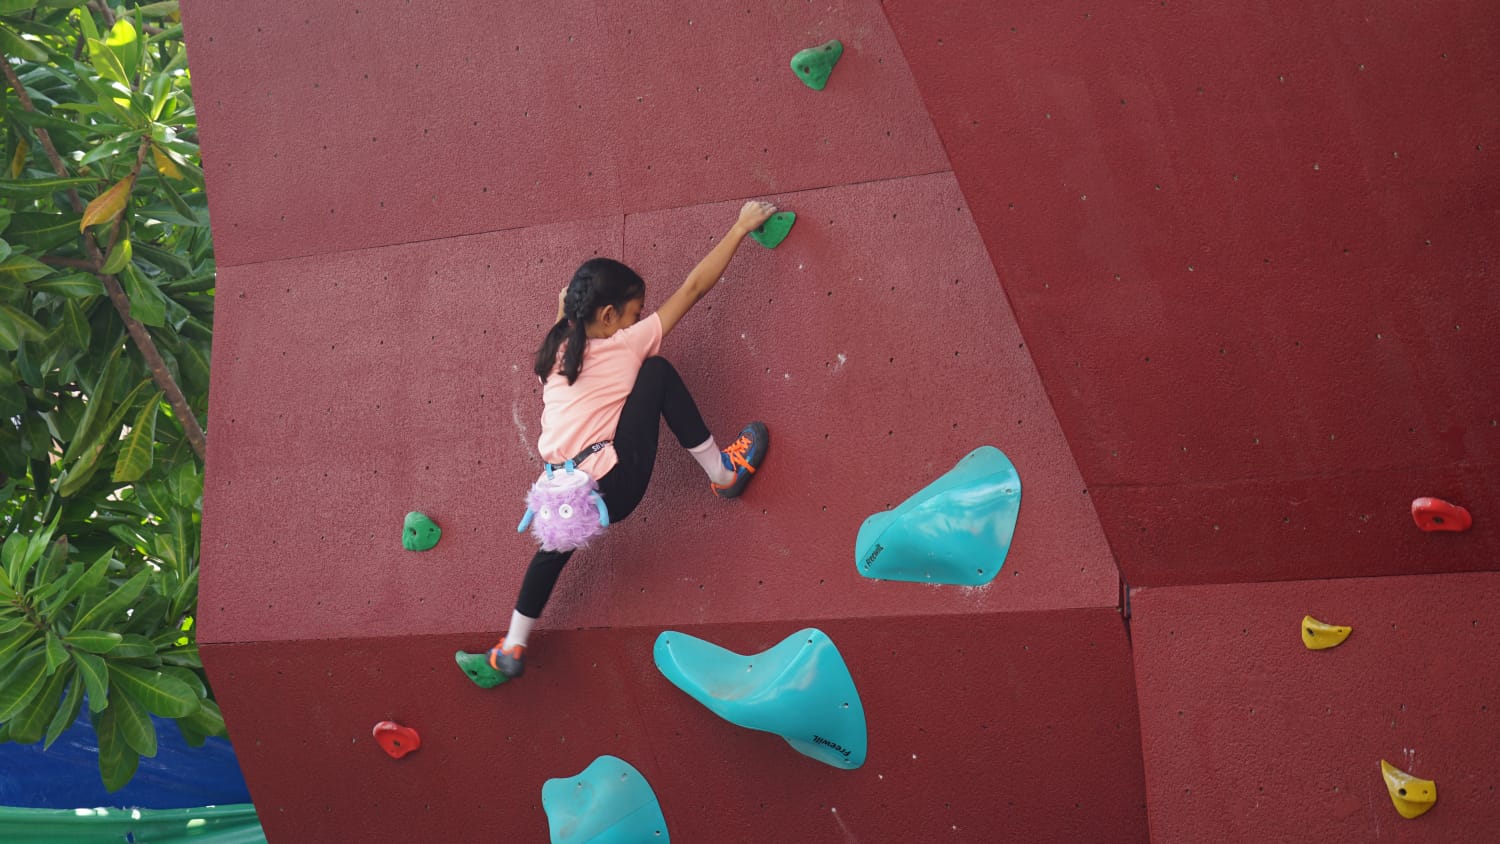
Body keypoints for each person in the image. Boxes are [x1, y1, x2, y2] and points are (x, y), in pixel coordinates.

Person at [489, 199, 779, 679]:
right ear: (605, 316)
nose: (636, 321)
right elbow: (694, 288)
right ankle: (723, 473)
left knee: (549, 557)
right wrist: (739, 228)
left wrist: (564, 311)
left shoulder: (552, 355)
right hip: (614, 489)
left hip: (561, 496)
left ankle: (513, 645)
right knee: (657, 373)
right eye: (631, 313)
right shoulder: (625, 345)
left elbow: (567, 318)